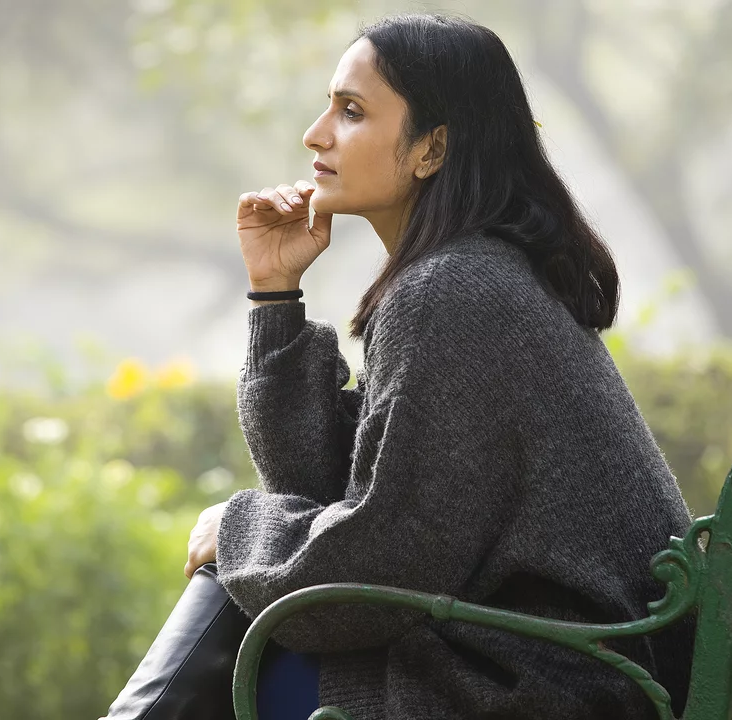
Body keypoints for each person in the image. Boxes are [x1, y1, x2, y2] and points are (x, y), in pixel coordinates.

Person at [183, 13, 696, 720]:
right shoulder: (475, 276)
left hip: (543, 690)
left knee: (233, 616)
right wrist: (275, 293)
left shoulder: (454, 292)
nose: (316, 133)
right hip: (584, 675)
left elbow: (377, 568)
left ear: (433, 148)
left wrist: (235, 530)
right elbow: (332, 495)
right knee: (243, 606)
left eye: (352, 111)